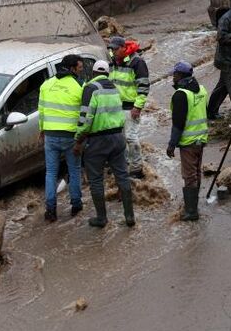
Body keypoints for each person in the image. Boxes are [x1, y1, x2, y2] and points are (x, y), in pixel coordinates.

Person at [74, 60, 134, 228]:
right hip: (118, 138)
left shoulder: (90, 88)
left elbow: (85, 118)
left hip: (98, 141)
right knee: (122, 176)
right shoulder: (114, 89)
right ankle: (129, 216)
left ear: (93, 73)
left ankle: (101, 218)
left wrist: (78, 140)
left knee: (96, 180)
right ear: (107, 74)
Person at [38, 54, 86, 222]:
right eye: (80, 68)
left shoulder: (46, 85)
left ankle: (50, 210)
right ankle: (76, 205)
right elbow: (84, 113)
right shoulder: (80, 86)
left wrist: (42, 130)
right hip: (71, 136)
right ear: (72, 68)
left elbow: (41, 111)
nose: (81, 71)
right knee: (74, 170)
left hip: (50, 135)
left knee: (51, 172)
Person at [166, 61, 208, 221]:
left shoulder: (181, 95)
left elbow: (178, 123)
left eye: (175, 74)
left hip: (188, 142)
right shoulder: (202, 89)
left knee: (189, 175)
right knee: (196, 172)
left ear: (181, 76)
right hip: (201, 138)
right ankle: (194, 205)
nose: (173, 77)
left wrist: (171, 145)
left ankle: (191, 211)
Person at [107, 35, 150, 178]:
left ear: (123, 48)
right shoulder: (113, 61)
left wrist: (137, 107)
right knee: (119, 138)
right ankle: (123, 165)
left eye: (115, 49)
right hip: (116, 107)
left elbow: (143, 86)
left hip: (130, 107)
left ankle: (136, 169)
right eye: (111, 50)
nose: (113, 52)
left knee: (131, 138)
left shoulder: (137, 62)